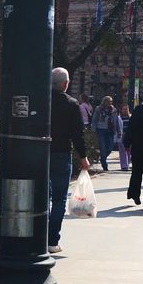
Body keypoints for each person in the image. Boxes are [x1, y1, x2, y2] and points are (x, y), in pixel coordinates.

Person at [48, 68, 89, 255]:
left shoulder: (42, 100)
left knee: (42, 198)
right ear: (65, 84)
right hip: (62, 154)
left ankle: (38, 237)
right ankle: (52, 241)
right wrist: (83, 157)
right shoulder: (71, 104)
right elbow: (77, 134)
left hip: (41, 155)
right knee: (59, 200)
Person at [92, 95, 117, 172]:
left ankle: (103, 158)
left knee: (110, 148)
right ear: (104, 101)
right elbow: (95, 119)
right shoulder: (99, 109)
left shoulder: (113, 110)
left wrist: (117, 130)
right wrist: (93, 129)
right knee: (102, 147)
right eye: (108, 101)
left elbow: (116, 120)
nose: (110, 103)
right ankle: (104, 165)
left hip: (110, 130)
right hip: (101, 129)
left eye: (111, 101)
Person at [115, 102, 131, 172]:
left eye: (126, 109)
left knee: (129, 150)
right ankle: (124, 166)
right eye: (124, 109)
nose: (125, 110)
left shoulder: (131, 117)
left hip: (129, 135)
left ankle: (128, 164)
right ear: (121, 110)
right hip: (121, 135)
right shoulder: (118, 118)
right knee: (122, 151)